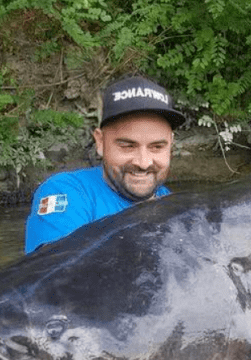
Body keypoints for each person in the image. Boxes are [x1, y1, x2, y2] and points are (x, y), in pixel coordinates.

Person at [24, 76, 186, 254]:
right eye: (127, 146)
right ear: (100, 142)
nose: (143, 162)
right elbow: (55, 273)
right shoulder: (65, 192)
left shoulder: (170, 202)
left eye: (157, 147)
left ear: (171, 144)